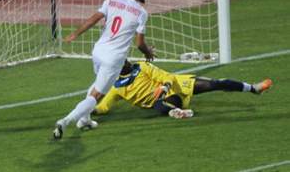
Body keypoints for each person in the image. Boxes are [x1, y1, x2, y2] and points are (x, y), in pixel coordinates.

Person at [53, 0, 155, 139]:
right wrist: (148, 52)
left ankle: (85, 120)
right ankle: (65, 121)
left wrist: (75, 34)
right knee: (97, 96)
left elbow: (93, 19)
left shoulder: (111, 1)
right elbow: (140, 44)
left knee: (97, 84)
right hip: (113, 58)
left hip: (98, 51)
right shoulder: (141, 13)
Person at [94, 60, 273, 118]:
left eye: (124, 58)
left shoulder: (142, 66)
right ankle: (176, 112)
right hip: (164, 100)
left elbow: (167, 76)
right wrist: (88, 111)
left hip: (177, 85)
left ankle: (253, 88)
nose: (126, 60)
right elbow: (103, 107)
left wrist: (165, 86)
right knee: (159, 105)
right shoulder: (116, 88)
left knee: (215, 83)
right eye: (121, 61)